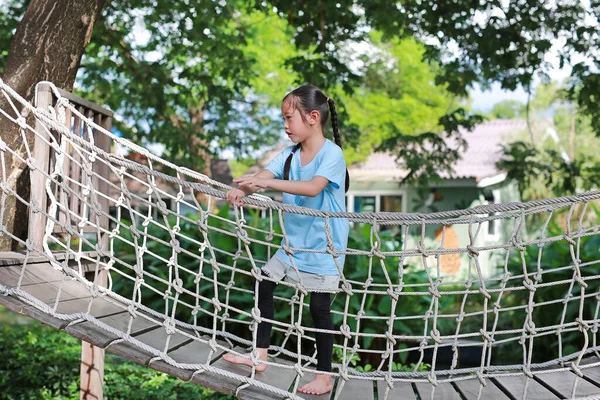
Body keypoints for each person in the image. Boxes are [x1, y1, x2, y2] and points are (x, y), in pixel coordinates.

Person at [222, 85, 349, 395]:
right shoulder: (290, 154)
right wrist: (246, 189)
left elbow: (313, 188)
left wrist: (264, 183)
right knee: (263, 283)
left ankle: (324, 375)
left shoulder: (332, 154)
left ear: (313, 118)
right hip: (292, 246)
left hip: (324, 248)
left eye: (289, 117)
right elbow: (266, 175)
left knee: (319, 309)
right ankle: (259, 355)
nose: (285, 125)